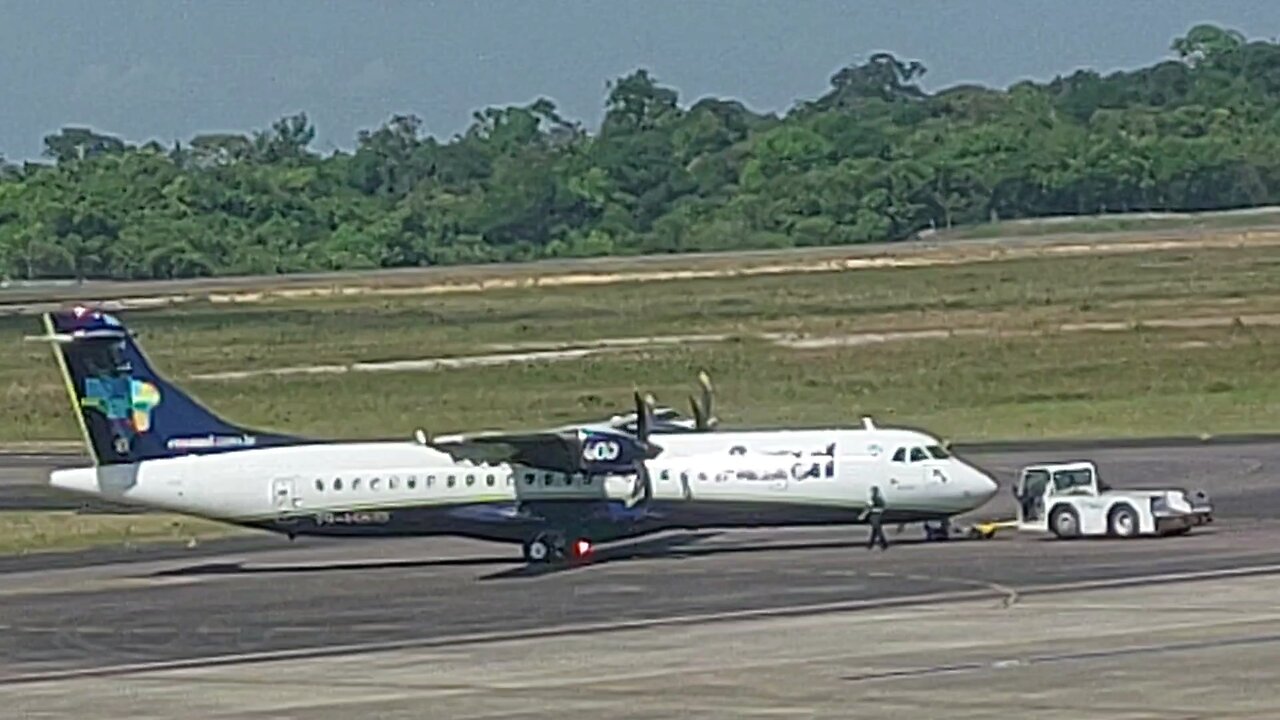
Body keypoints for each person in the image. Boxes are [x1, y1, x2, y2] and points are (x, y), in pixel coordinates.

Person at [861, 485, 888, 550]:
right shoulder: (880, 499)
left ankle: (884, 544)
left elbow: (868, 508)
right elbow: (883, 506)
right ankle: (871, 544)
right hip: (879, 515)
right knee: (875, 530)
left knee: (878, 530)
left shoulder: (873, 498)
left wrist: (863, 515)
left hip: (873, 516)